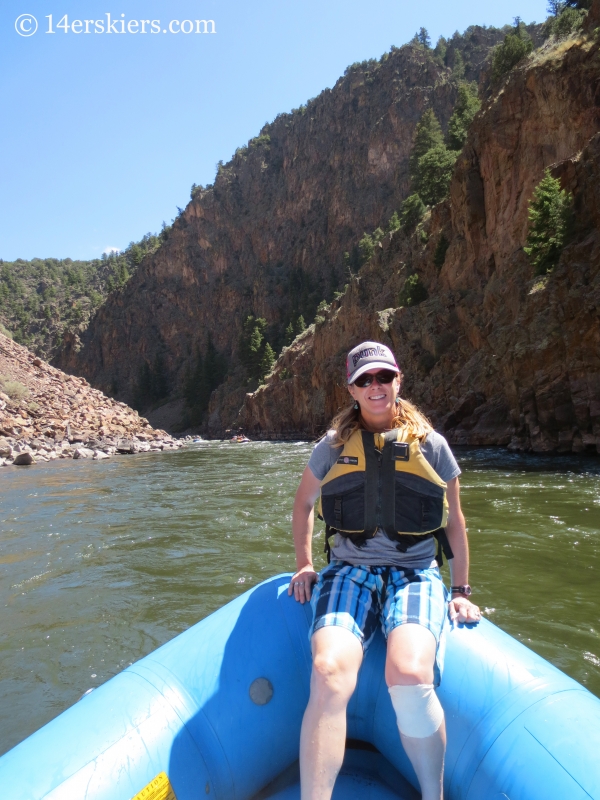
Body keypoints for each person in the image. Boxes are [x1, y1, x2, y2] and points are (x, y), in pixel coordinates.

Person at [288, 341, 480, 800]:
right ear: (351, 389)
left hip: (414, 572)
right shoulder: (331, 448)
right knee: (328, 670)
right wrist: (305, 564)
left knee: (410, 676)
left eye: (384, 377)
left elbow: (455, 521)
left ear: (398, 380)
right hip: (349, 570)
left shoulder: (432, 446)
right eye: (364, 380)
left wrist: (461, 588)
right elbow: (303, 506)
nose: (376, 387)